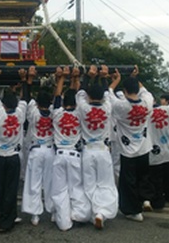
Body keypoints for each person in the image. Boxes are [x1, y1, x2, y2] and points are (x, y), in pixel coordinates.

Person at [109, 65, 154, 222]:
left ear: (125, 91)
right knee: (143, 176)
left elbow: (109, 94)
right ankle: (146, 200)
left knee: (129, 181)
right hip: (144, 147)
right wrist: (135, 77)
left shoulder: (121, 106)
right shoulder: (147, 103)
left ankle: (133, 211)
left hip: (127, 150)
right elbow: (145, 91)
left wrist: (116, 81)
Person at [75, 65, 118, 229]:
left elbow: (80, 93)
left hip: (88, 150)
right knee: (105, 183)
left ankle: (90, 213)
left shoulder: (83, 107)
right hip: (103, 150)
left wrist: (88, 76)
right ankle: (101, 212)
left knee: (89, 184)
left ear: (88, 96)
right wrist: (104, 76)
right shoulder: (107, 107)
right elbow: (107, 93)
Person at [51, 66, 91, 231]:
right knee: (76, 188)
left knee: (60, 190)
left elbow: (57, 97)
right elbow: (81, 96)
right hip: (75, 155)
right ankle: (80, 214)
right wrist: (77, 80)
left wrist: (62, 78)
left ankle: (63, 222)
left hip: (59, 155)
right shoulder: (79, 114)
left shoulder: (57, 113)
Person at [0, 68, 28, 232]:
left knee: (1, 187)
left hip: (0, 156)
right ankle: (6, 220)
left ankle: (7, 216)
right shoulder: (20, 113)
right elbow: (25, 99)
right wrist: (24, 80)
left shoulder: (0, 114)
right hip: (14, 156)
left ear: (3, 104)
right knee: (11, 188)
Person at [22, 66, 55, 226]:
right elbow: (57, 98)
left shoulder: (33, 112)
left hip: (36, 151)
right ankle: (53, 211)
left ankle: (35, 215)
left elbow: (28, 98)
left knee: (34, 182)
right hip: (49, 151)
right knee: (50, 182)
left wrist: (29, 80)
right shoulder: (54, 112)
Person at [148, 95, 169, 209]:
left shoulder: (149, 112)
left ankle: (157, 200)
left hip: (155, 148)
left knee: (156, 177)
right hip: (167, 147)